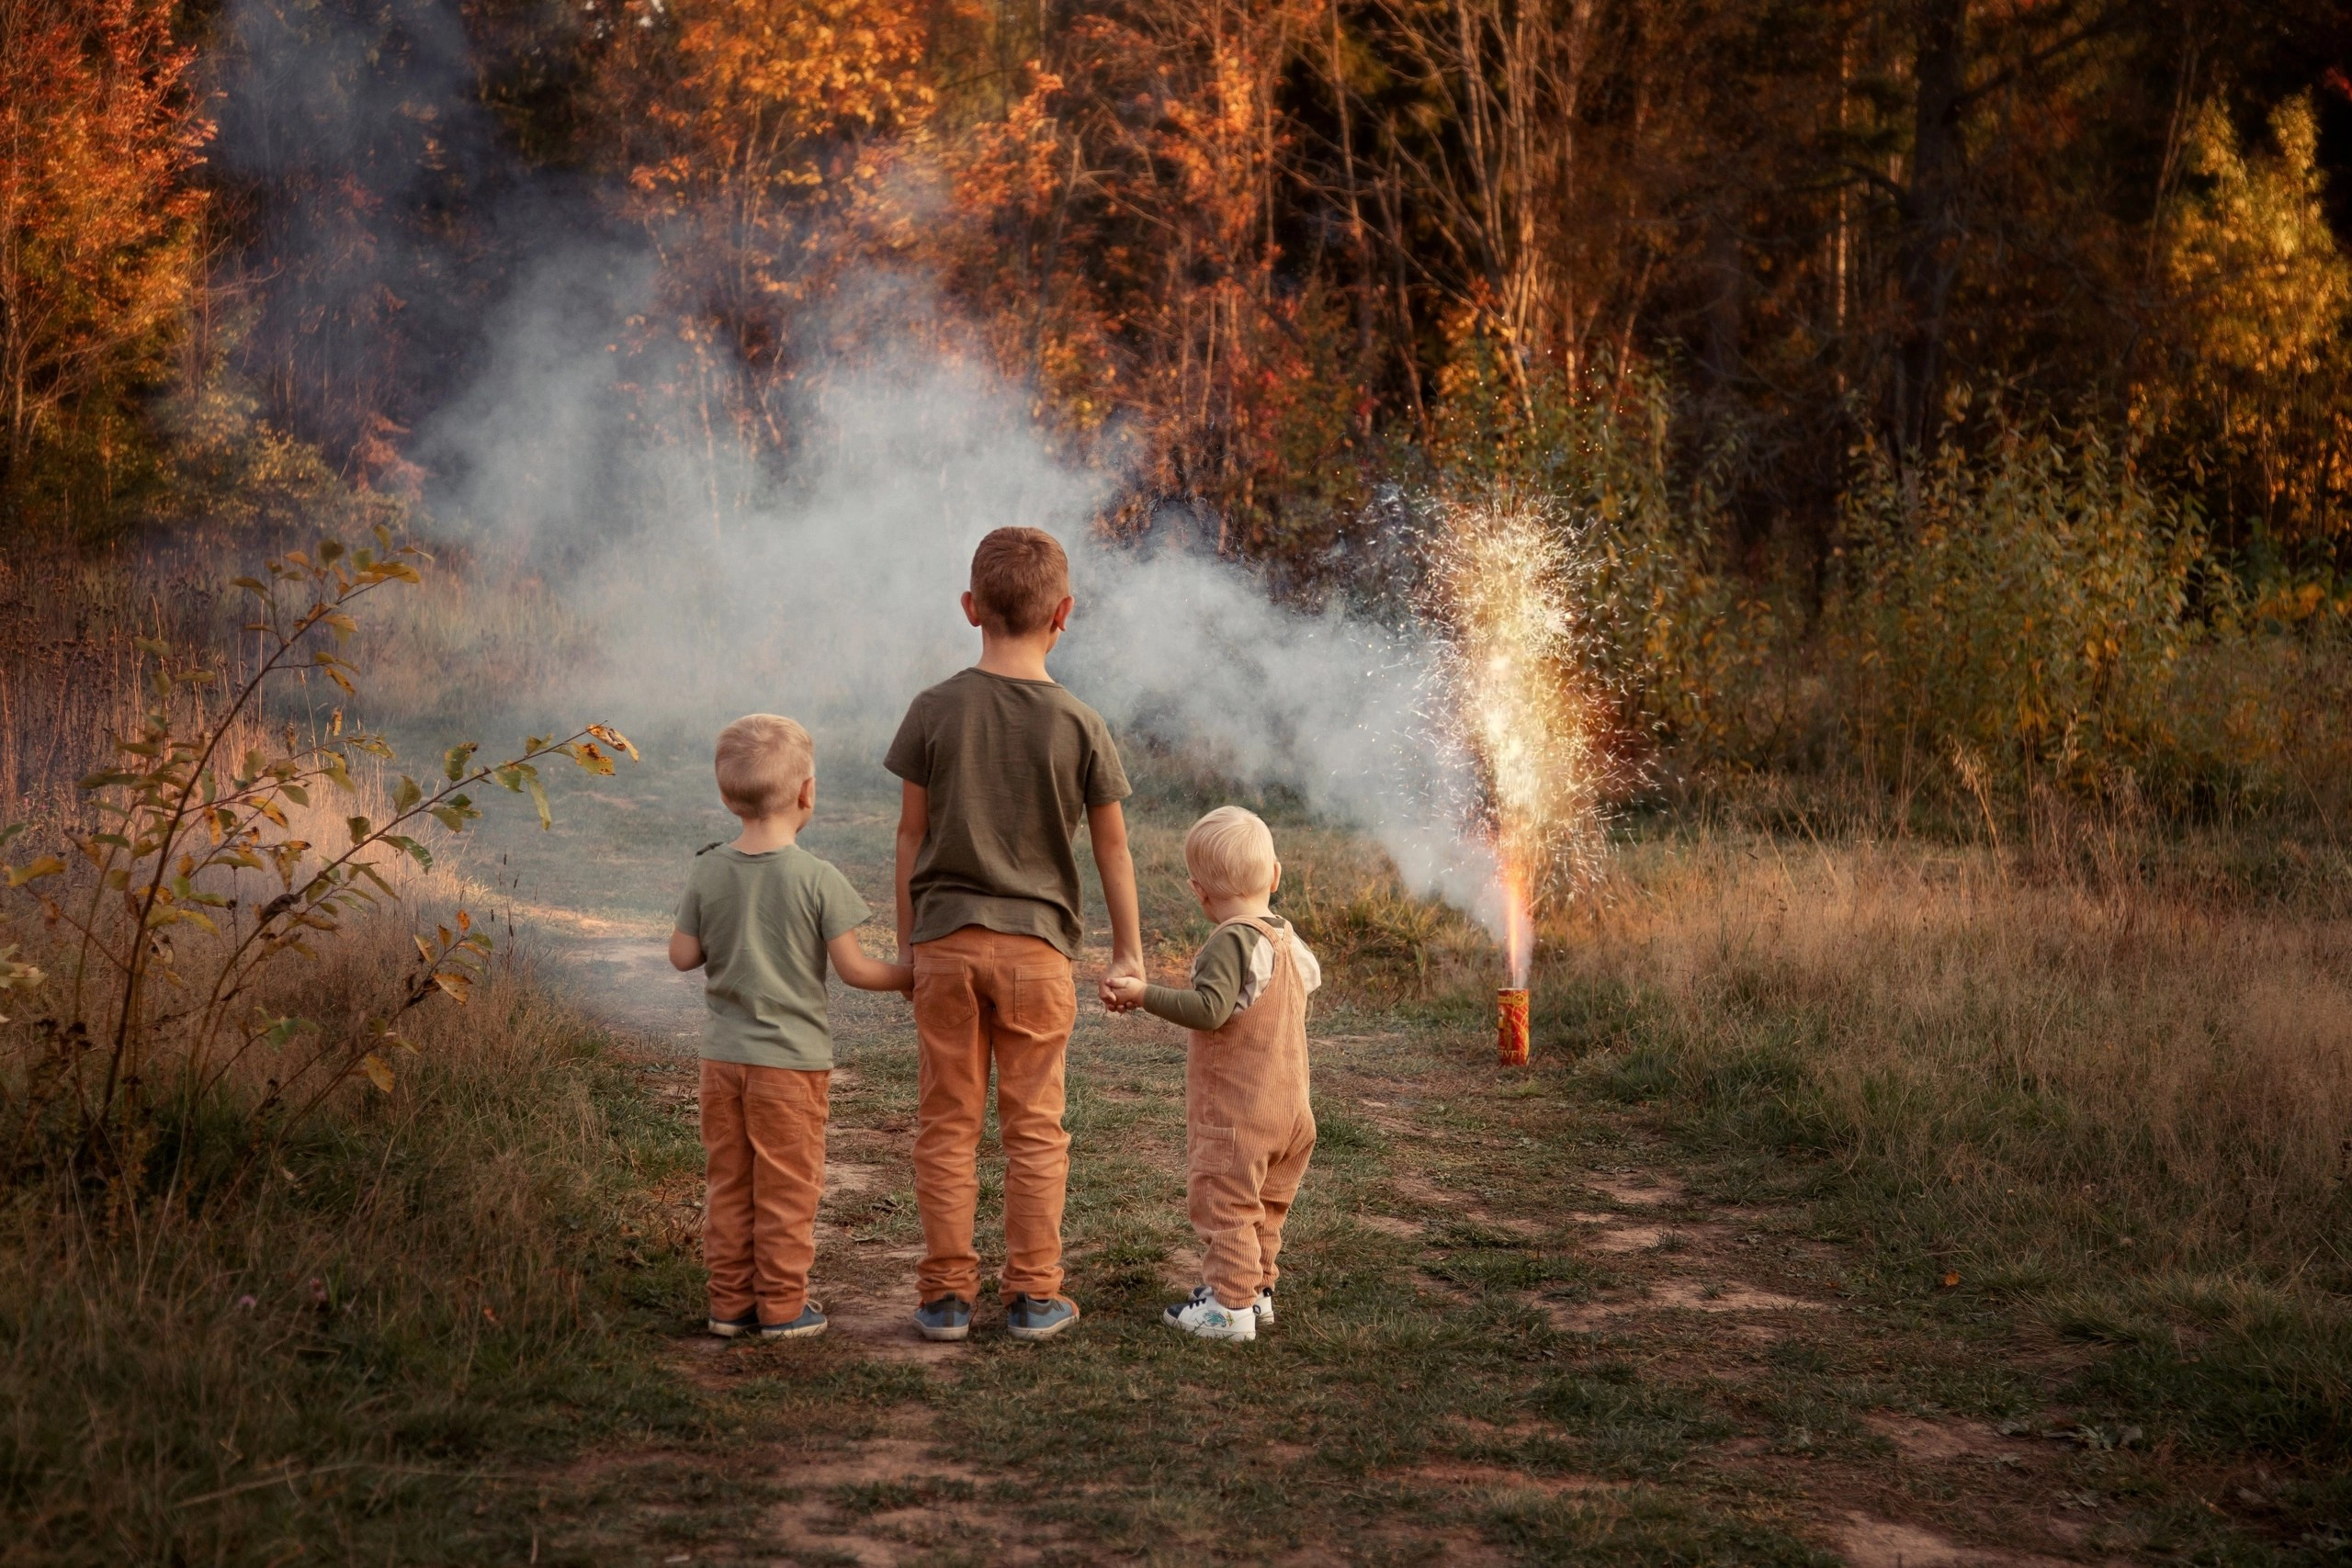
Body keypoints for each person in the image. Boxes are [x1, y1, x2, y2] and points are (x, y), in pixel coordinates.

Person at [886, 526, 1144, 1342]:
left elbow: (907, 839)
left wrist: (906, 948)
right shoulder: (1079, 721)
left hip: (946, 945)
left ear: (970, 608)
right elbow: (1112, 847)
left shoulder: (933, 708)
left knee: (948, 1123)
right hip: (1038, 954)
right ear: (1065, 612)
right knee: (1035, 1128)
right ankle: (1034, 1294)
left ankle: (945, 1299)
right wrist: (1128, 951)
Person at [670, 713, 911, 1339]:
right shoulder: (818, 878)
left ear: (726, 797)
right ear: (807, 792)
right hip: (791, 1064)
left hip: (722, 1060)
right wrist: (913, 975)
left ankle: (729, 1304)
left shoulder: (708, 869)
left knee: (729, 1182)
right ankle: (781, 1305)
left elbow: (681, 955)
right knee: (786, 1185)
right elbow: (855, 970)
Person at [1104, 806, 1319, 1343]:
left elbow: (1209, 1010)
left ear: (1198, 891)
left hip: (1239, 1115)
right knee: (1266, 1206)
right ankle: (1256, 1292)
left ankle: (1229, 1310)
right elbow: (1300, 993)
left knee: (1224, 1204)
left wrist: (1143, 995)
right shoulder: (1287, 939)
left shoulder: (1231, 940)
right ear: (1275, 875)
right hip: (1290, 1111)